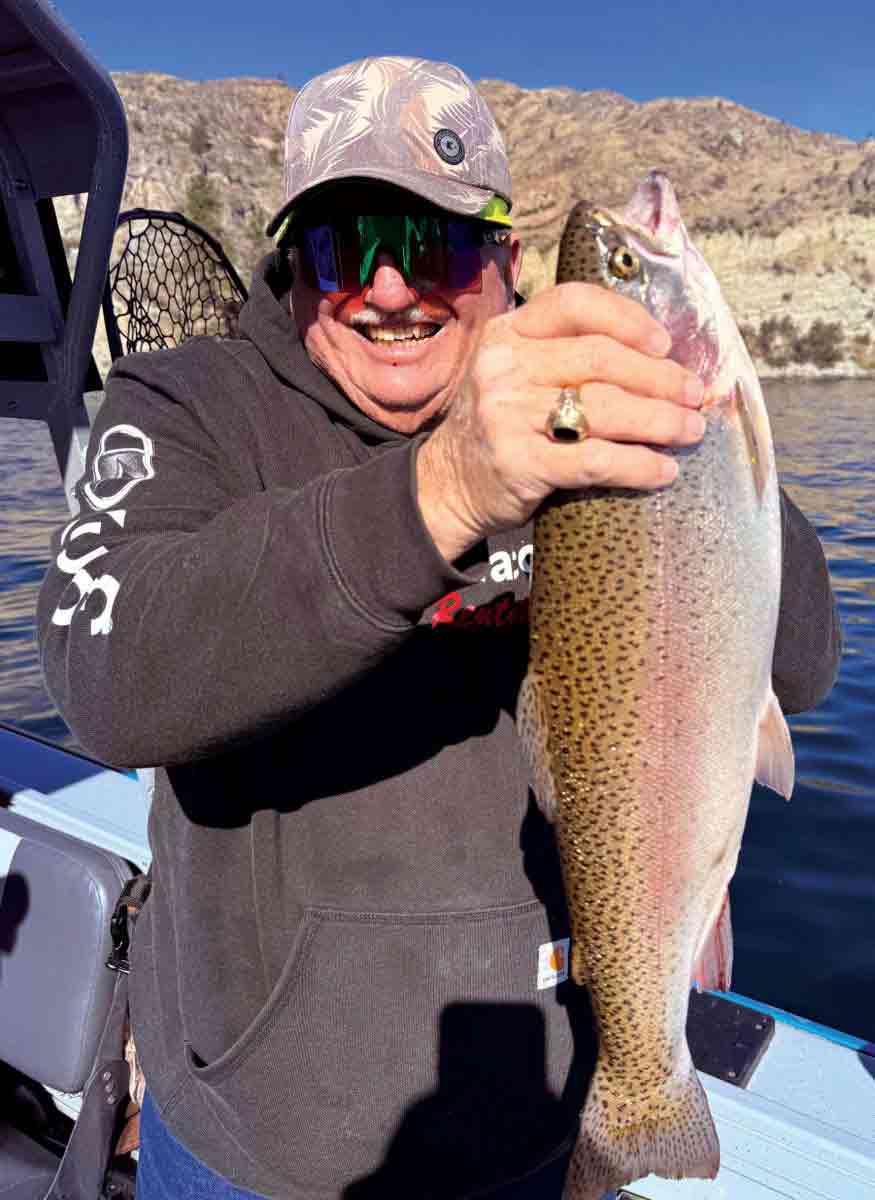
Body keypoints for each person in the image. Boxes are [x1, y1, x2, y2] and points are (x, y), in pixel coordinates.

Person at [37, 55, 841, 1199]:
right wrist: (449, 486)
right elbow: (104, 677)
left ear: (503, 264)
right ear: (292, 264)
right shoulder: (187, 407)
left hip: (549, 1125)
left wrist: (703, 444)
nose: (384, 288)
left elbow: (801, 668)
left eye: (430, 246)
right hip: (257, 1159)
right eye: (338, 246)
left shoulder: (590, 413)